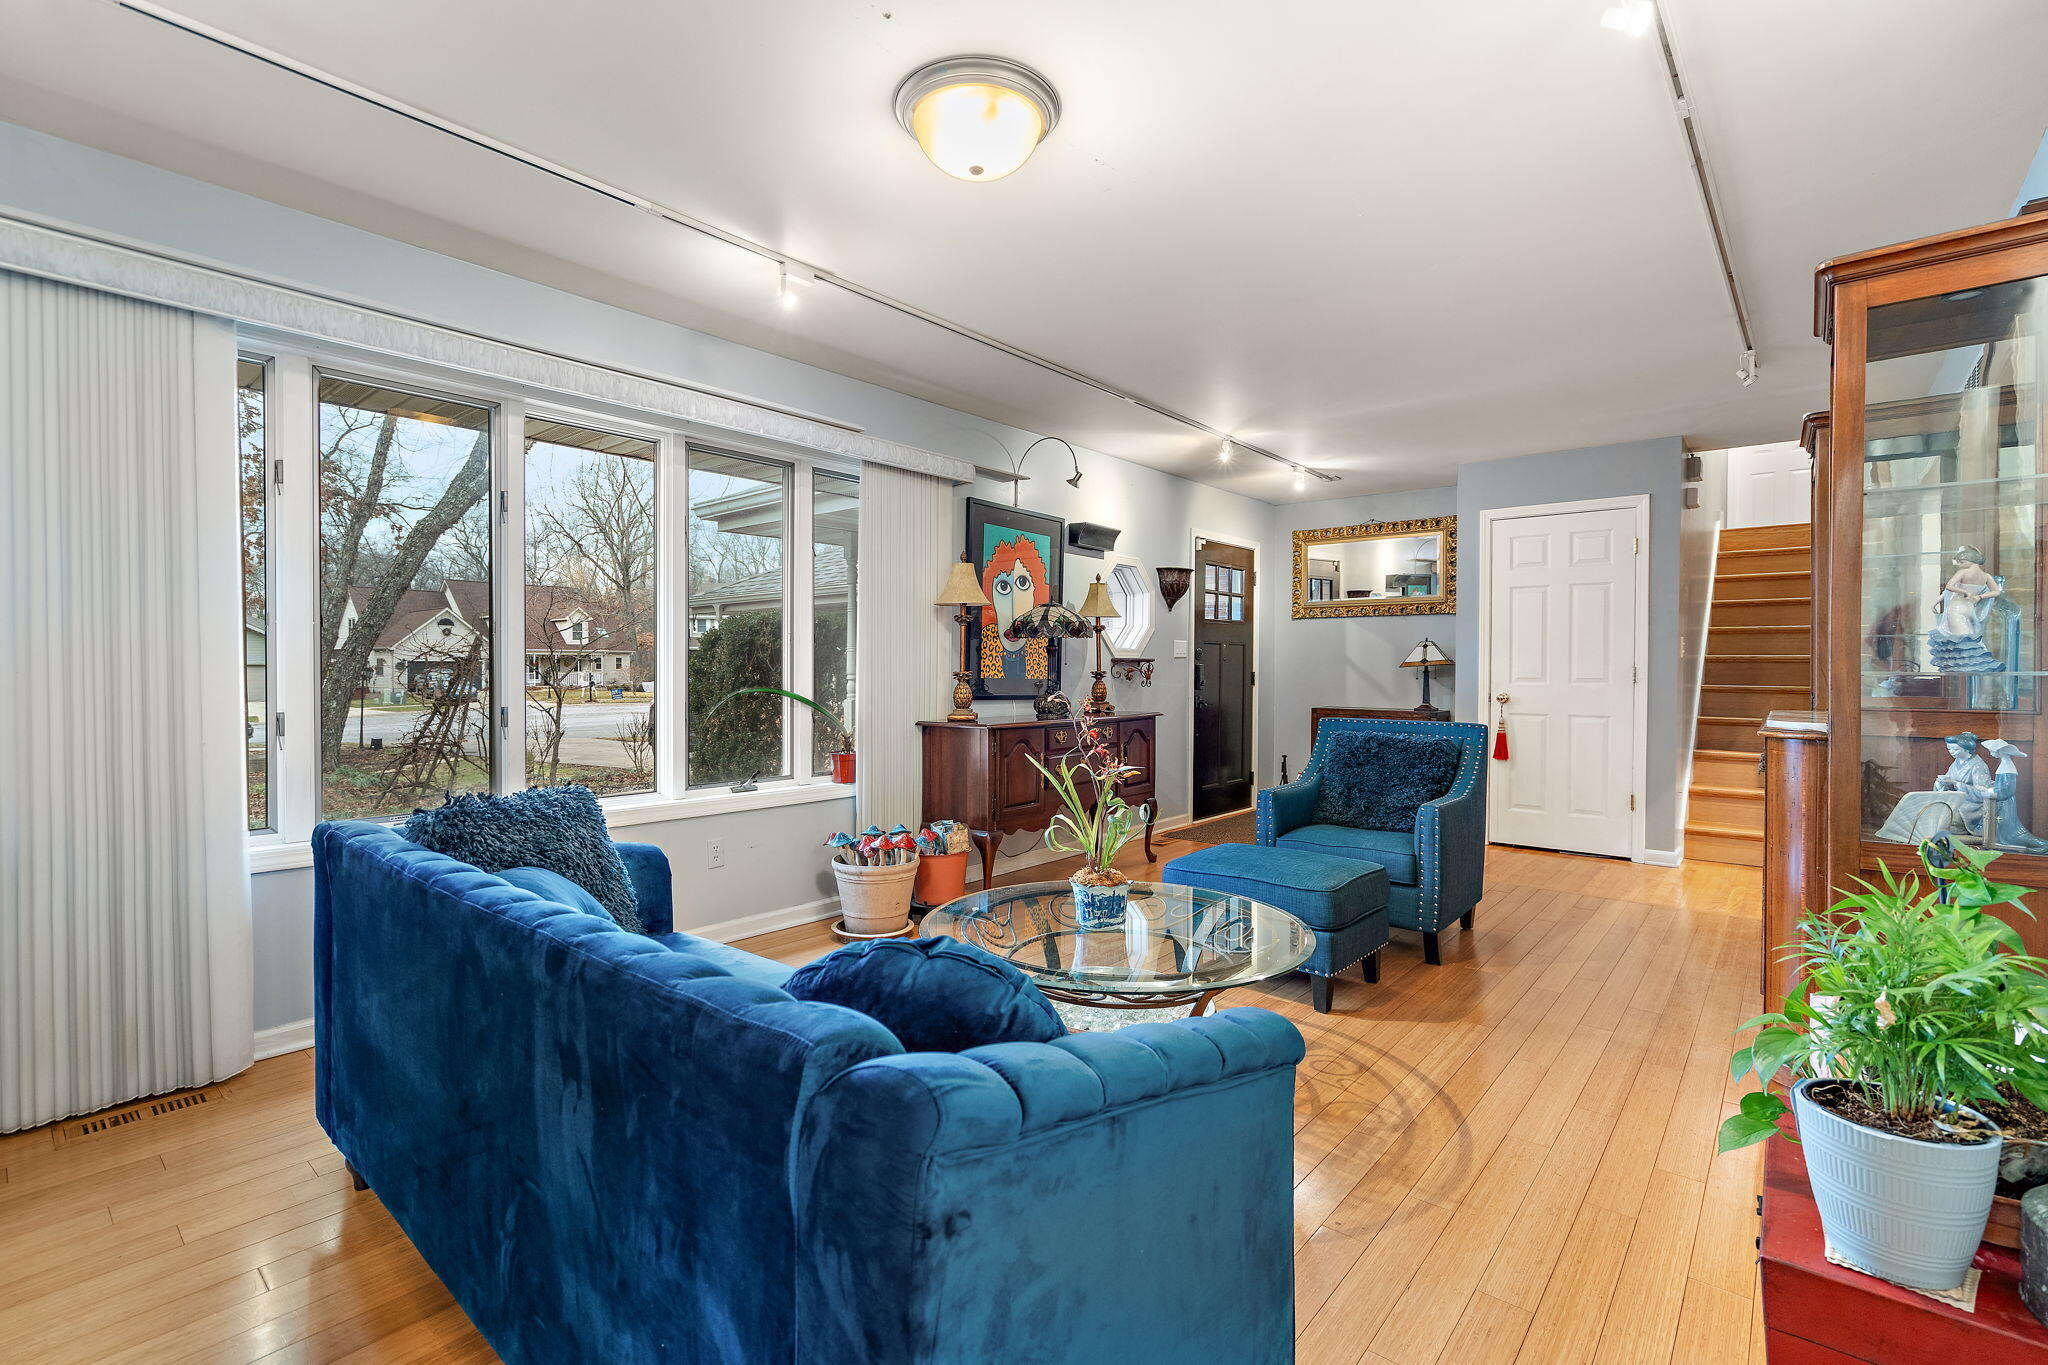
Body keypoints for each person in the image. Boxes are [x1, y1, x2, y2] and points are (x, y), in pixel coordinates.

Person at [1928, 546, 2006, 673]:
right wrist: (1979, 596)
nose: (1959, 565)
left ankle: (1971, 671)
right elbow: (1995, 592)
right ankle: (1969, 672)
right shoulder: (1985, 576)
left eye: (1962, 562)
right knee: (1968, 642)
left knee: (1964, 644)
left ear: (1971, 560)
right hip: (1969, 608)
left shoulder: (1964, 572)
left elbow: (1949, 586)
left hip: (1957, 608)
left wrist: (1967, 593)